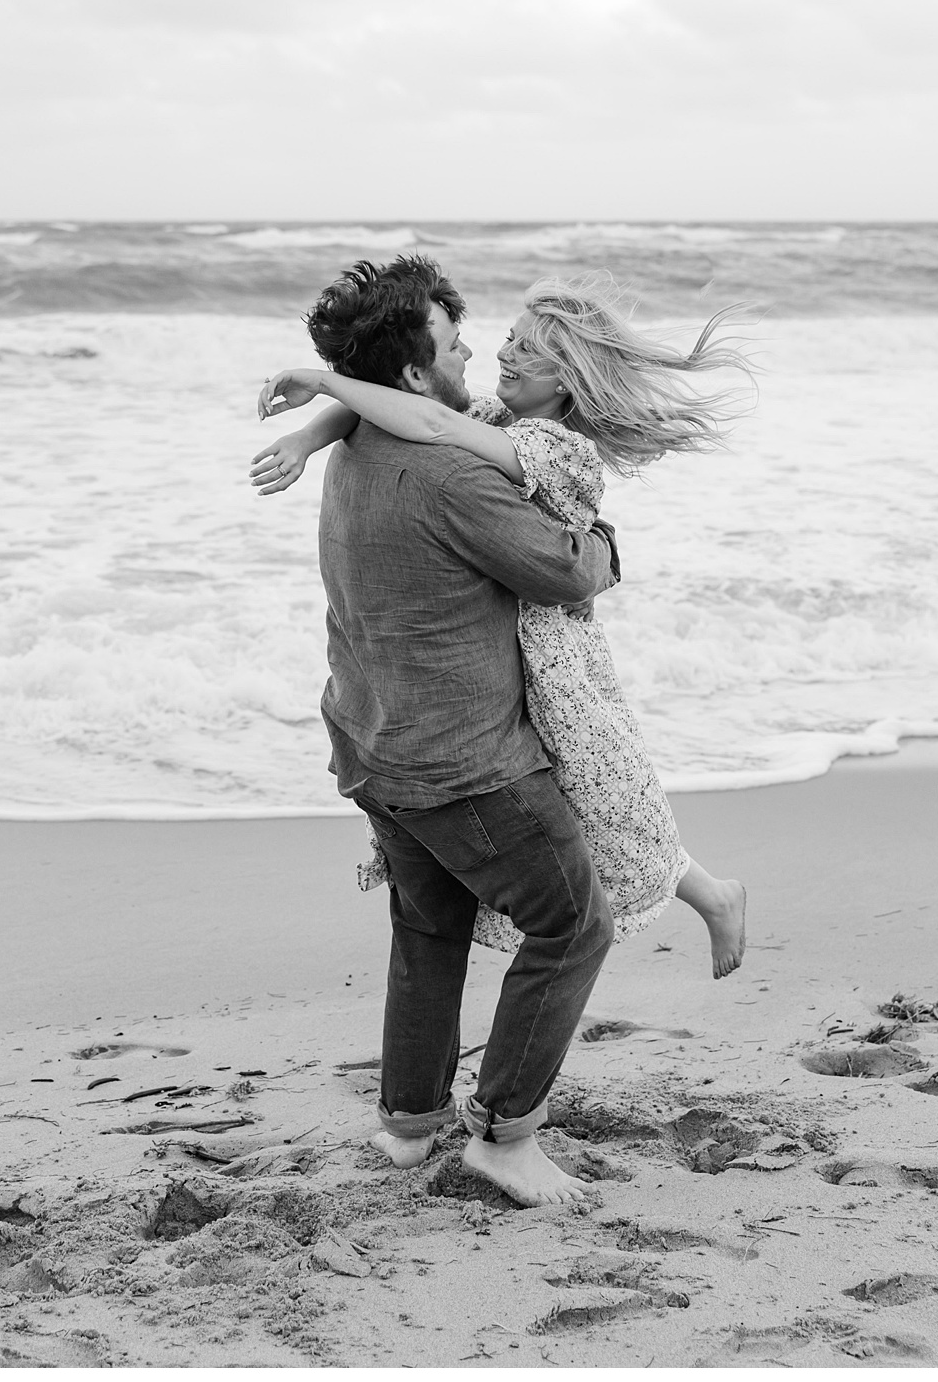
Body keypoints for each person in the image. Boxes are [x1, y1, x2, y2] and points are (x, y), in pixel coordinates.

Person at [253, 267, 750, 979]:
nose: (502, 355)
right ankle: (712, 894)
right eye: (509, 339)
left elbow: (418, 416)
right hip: (518, 637)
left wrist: (323, 380)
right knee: (596, 807)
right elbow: (384, 408)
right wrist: (308, 435)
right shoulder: (492, 421)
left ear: (567, 382)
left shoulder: (550, 446)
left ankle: (712, 897)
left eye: (529, 353)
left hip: (554, 650)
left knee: (610, 805)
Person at [283, 254, 622, 1207]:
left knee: (429, 923)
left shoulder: (357, 446)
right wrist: (601, 542)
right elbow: (565, 573)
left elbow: (359, 412)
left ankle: (408, 1123)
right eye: (452, 338)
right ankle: (505, 1138)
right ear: (413, 378)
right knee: (572, 922)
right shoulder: (449, 476)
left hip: (369, 737)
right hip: (464, 763)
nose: (472, 346)